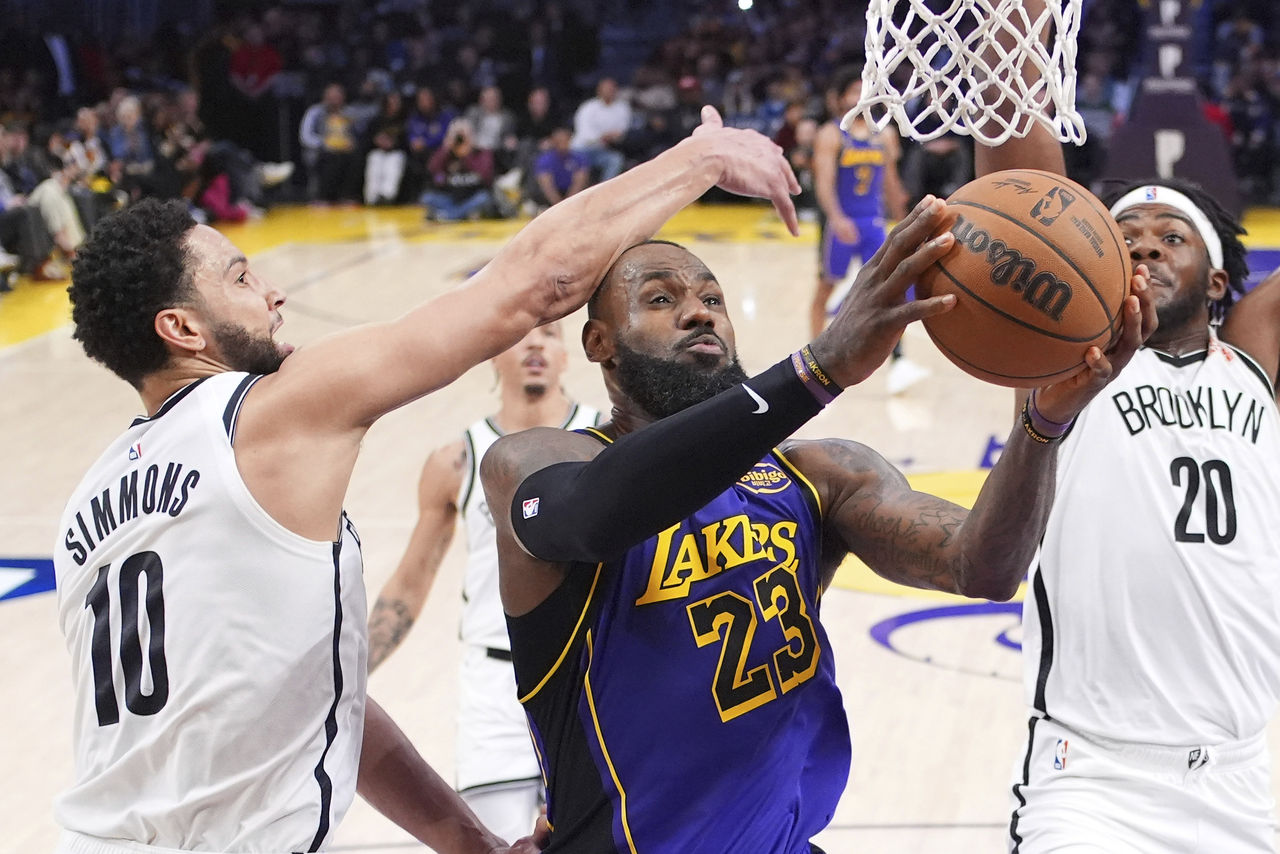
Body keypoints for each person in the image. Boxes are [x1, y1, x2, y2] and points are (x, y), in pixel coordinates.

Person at [52, 107, 801, 854]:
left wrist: (474, 846)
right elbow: (533, 287)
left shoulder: (89, 503)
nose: (273, 293)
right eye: (242, 277)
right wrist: (701, 160)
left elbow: (317, 700)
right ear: (183, 330)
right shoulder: (265, 413)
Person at [479, 205, 1155, 848]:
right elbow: (596, 516)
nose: (698, 312)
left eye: (712, 298)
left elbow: (982, 566)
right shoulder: (534, 461)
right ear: (599, 342)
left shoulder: (816, 476)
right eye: (660, 299)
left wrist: (1042, 424)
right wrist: (816, 370)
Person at [981, 3, 1280, 852]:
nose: (1144, 247)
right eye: (1125, 238)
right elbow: (1021, 188)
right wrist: (1013, 34)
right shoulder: (1067, 358)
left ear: (1218, 284)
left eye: (1171, 236)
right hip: (1095, 781)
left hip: (1245, 775)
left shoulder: (1253, 367)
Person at [367, 324, 600, 843]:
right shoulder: (457, 459)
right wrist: (350, 671)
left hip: (591, 675)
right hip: (495, 688)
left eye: (550, 334)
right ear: (493, 354)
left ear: (568, 354)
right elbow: (412, 578)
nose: (535, 344)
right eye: (521, 335)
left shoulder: (603, 440)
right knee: (492, 844)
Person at [811, 68, 924, 395]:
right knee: (826, 285)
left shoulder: (884, 134)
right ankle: (814, 357)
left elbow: (890, 182)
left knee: (891, 288)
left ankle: (899, 361)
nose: (858, 98)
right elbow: (823, 183)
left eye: (863, 92)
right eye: (852, 92)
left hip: (872, 221)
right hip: (842, 222)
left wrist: (905, 221)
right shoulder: (830, 134)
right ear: (839, 98)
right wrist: (836, 218)